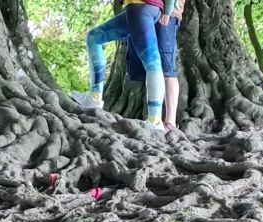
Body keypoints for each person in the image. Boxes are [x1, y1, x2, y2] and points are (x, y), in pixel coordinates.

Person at [76, 0, 185, 133]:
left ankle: (155, 121)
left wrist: (168, 11)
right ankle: (94, 97)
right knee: (94, 37)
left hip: (141, 7)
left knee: (153, 62)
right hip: (142, 8)